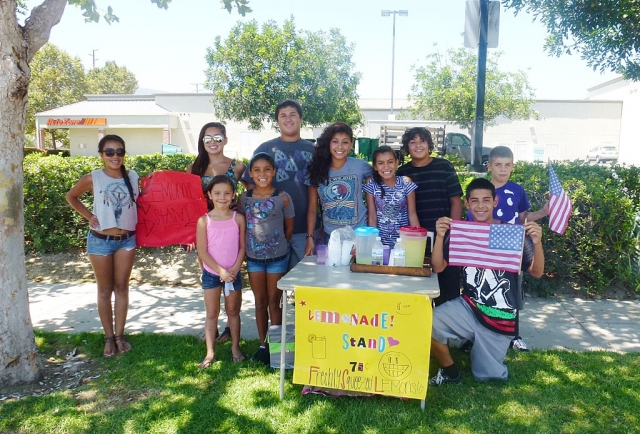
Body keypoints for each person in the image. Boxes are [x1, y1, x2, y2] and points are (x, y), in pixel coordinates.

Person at [429, 178, 544, 385]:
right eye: (474, 201)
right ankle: (450, 371)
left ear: (495, 201)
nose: (480, 206)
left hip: (499, 318)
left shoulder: (511, 234)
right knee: (426, 322)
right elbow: (438, 267)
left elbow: (536, 272)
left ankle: (480, 345)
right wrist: (439, 236)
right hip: (468, 307)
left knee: (489, 377)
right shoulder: (463, 233)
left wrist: (537, 243)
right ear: (467, 204)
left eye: (486, 200)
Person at [465, 145, 549, 352]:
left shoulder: (517, 190)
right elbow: (471, 220)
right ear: (489, 166)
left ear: (512, 167)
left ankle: (514, 335)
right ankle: (472, 332)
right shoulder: (481, 190)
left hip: (510, 246)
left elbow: (522, 218)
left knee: (510, 290)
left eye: (507, 165)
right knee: (478, 288)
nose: (503, 169)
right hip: (483, 246)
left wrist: (542, 212)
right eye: (498, 165)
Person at [66, 134, 138, 358]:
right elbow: (72, 196)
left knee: (122, 288)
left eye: (119, 152)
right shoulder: (93, 178)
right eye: (109, 152)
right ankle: (108, 337)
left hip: (127, 240)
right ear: (101, 155)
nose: (115, 156)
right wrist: (89, 215)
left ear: (124, 154)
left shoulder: (133, 176)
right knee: (105, 290)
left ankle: (120, 335)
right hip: (100, 241)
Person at [187, 122, 246, 343]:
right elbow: (188, 205)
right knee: (211, 278)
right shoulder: (194, 169)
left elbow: (251, 193)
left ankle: (231, 332)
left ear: (225, 140)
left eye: (217, 137)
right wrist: (186, 237)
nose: (213, 142)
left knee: (232, 280)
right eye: (207, 138)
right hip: (206, 231)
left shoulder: (238, 167)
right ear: (202, 142)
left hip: (230, 230)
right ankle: (213, 327)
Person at [241, 99, 316, 271]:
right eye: (283, 116)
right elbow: (250, 184)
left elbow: (317, 192)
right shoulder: (266, 148)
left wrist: (311, 235)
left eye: (293, 115)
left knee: (302, 284)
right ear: (277, 121)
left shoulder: (313, 150)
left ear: (301, 119)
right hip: (271, 231)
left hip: (303, 230)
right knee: (276, 286)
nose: (288, 119)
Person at [396, 127, 463, 305]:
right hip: (414, 238)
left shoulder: (444, 166)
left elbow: (456, 201)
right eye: (413, 142)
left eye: (422, 141)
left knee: (448, 288)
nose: (418, 145)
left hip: (445, 235)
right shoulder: (401, 173)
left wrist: (453, 233)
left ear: (429, 144)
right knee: (418, 288)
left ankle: (449, 329)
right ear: (407, 147)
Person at [239, 153, 295, 364]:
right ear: (251, 173)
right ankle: (263, 345)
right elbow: (241, 224)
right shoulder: (244, 198)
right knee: (260, 301)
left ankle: (277, 345)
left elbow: (289, 227)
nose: (262, 174)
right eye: (257, 170)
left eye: (267, 169)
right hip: (253, 259)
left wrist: (277, 246)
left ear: (274, 172)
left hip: (277, 259)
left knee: (274, 301)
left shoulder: (283, 197)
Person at [195, 175, 246, 367]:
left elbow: (242, 247)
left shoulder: (238, 219)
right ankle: (210, 353)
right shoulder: (204, 221)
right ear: (209, 195)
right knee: (212, 314)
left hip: (233, 274)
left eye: (227, 193)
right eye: (217, 193)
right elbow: (202, 251)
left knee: (233, 312)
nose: (222, 197)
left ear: (233, 195)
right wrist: (220, 271)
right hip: (211, 275)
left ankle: (235, 348)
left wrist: (234, 268)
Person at [304, 122, 373, 255]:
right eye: (335, 141)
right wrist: (310, 237)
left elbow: (381, 179)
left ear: (351, 144)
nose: (340, 146)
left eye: (345, 142)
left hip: (359, 234)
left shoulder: (361, 166)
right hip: (330, 236)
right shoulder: (316, 171)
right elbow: (312, 209)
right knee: (333, 274)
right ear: (328, 143)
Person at [363, 145, 420, 246]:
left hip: (403, 242)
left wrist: (417, 241)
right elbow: (372, 216)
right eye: (381, 163)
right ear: (375, 166)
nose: (386, 167)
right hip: (381, 243)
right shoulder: (371, 183)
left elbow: (412, 214)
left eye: (390, 162)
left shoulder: (406, 182)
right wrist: (373, 244)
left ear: (396, 163)